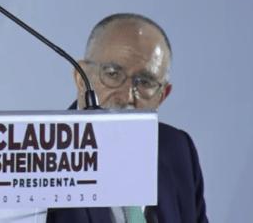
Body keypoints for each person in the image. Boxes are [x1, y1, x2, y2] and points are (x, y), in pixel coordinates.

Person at [46, 13, 208, 222]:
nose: (127, 96)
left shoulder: (178, 149)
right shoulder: (35, 153)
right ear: (80, 78)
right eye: (113, 74)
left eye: (145, 82)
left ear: (162, 95)